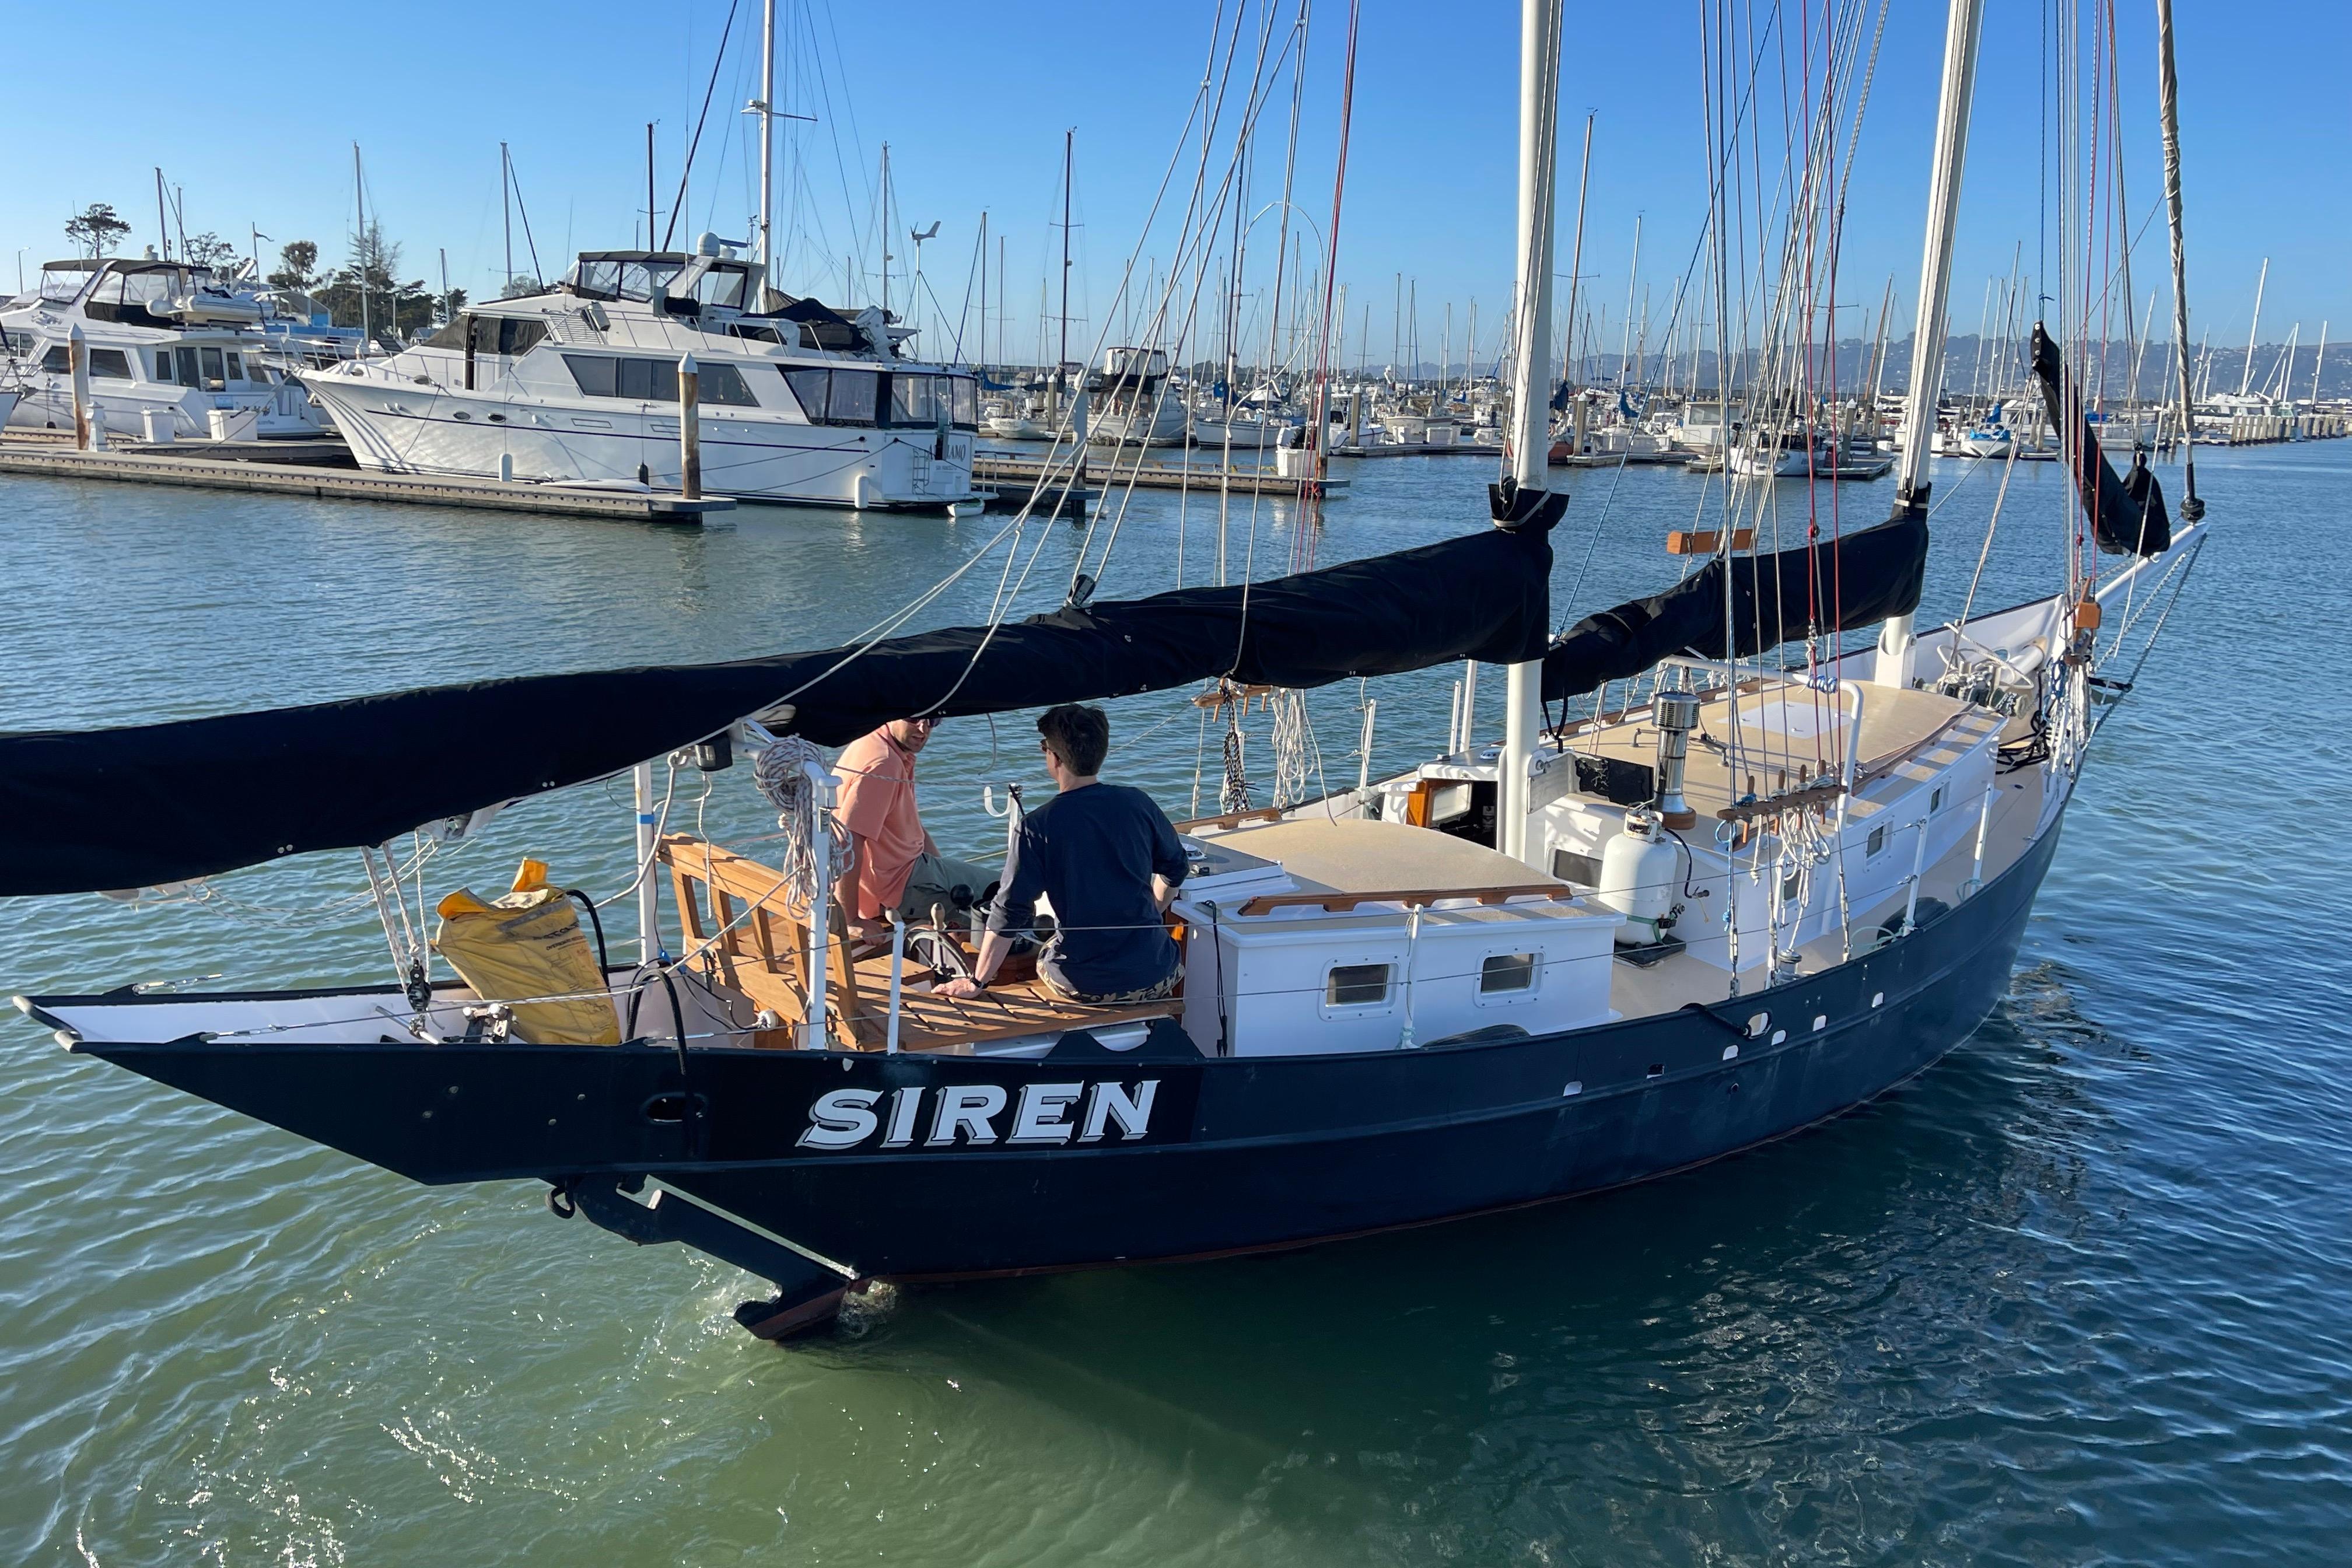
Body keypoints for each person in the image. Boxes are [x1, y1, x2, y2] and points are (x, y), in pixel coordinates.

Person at [937, 704, 1187, 1005]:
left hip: (1089, 986)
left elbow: (1009, 913)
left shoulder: (1037, 827)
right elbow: (1176, 867)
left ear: (1054, 758)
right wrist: (1154, 909)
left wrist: (977, 981)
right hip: (1159, 973)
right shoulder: (1139, 803)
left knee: (1046, 952)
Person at [833, 715, 995, 943]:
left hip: (910, 867)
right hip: (899, 886)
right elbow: (846, 841)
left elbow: (912, 825)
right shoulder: (884, 763)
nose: (923, 729)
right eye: (913, 719)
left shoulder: (870, 741)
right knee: (1007, 896)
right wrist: (850, 920)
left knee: (998, 890)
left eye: (933, 721)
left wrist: (944, 869)